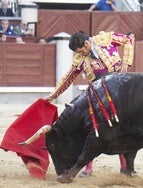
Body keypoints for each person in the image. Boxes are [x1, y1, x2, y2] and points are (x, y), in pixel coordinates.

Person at [43, 30, 134, 177]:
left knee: (120, 128)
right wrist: (53, 95)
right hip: (99, 94)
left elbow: (129, 39)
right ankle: (88, 169)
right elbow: (68, 78)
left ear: (86, 43)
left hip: (119, 90)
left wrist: (125, 62)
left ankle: (125, 167)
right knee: (92, 129)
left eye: (82, 50)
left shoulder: (105, 39)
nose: (81, 54)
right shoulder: (80, 58)